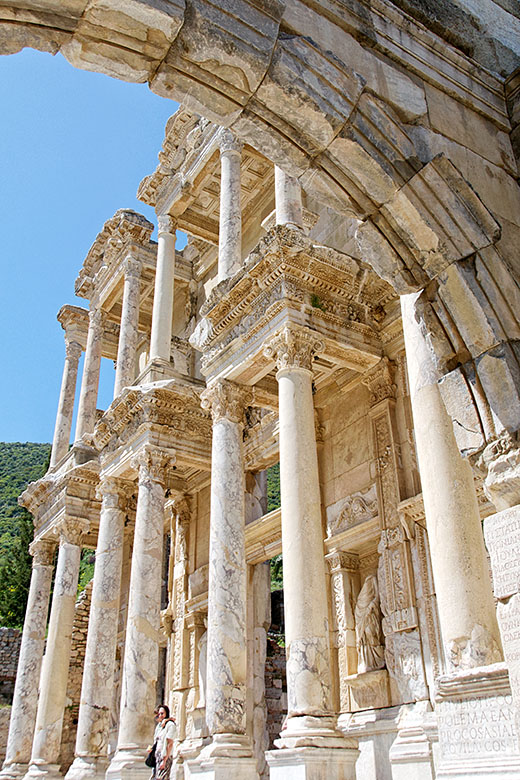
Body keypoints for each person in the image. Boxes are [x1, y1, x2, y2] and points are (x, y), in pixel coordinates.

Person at [151, 704, 177, 780]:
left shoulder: (170, 725)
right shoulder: (159, 726)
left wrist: (164, 760)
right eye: (159, 714)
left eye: (162, 713)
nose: (160, 715)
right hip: (157, 757)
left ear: (166, 713)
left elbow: (170, 743)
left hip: (165, 756)